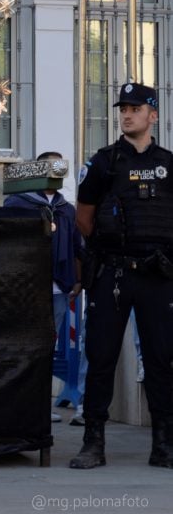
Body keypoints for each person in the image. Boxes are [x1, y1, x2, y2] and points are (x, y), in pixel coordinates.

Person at [69, 82, 173, 470]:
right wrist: (108, 247)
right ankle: (93, 442)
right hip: (113, 274)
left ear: (153, 115)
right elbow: (83, 217)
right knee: (101, 358)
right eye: (122, 109)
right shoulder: (105, 161)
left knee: (162, 359)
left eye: (135, 108)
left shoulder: (169, 162)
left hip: (157, 275)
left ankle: (164, 443)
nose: (126, 114)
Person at [4, 150, 82, 421]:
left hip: (58, 288)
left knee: (48, 344)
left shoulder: (66, 209)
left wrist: (77, 279)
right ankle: (17, 403)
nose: (55, 172)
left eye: (60, 167)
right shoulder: (18, 202)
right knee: (22, 344)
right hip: (26, 287)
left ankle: (41, 406)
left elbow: (75, 246)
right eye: (50, 167)